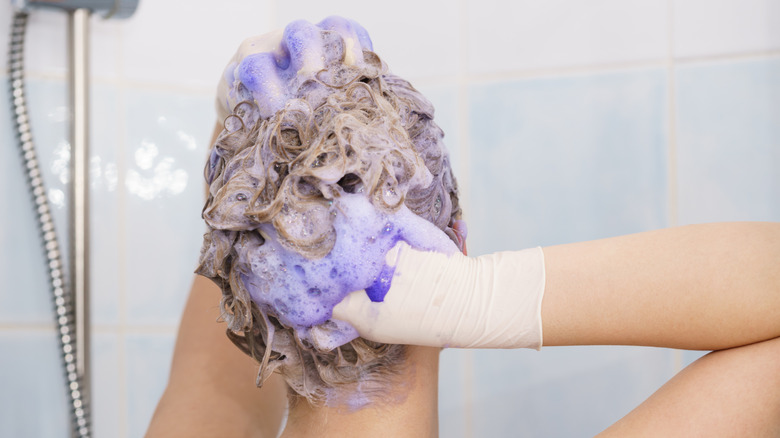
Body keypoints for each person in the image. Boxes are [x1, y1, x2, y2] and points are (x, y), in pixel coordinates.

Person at [147, 17, 780, 437]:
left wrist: (249, 128)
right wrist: (483, 297)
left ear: (245, 306)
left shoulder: (201, 415)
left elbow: (237, 253)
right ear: (457, 238)